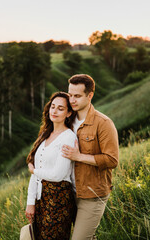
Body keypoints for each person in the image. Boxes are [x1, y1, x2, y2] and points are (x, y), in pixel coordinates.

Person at [62, 74, 119, 240]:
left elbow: (112, 160)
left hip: (92, 194)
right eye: (70, 95)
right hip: (69, 192)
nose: (72, 100)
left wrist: (79, 156)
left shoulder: (103, 123)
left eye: (77, 96)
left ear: (90, 95)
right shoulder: (67, 120)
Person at [25, 92, 77, 240]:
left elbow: (57, 175)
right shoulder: (45, 134)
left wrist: (34, 170)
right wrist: (30, 203)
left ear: (68, 113)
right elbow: (36, 174)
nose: (54, 111)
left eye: (60, 108)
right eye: (52, 107)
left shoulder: (68, 137)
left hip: (58, 198)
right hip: (41, 198)